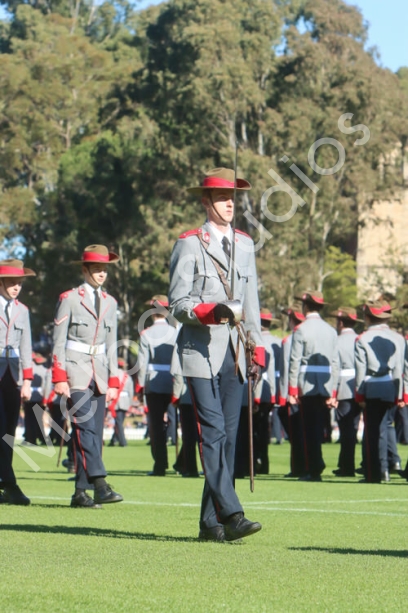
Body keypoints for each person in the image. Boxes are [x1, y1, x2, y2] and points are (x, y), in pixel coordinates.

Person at [169, 167, 264, 542]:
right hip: (200, 349)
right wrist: (210, 312)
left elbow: (251, 302)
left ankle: (210, 523)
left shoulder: (246, 244)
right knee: (212, 432)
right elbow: (178, 303)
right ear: (206, 202)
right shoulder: (189, 244)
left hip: (236, 352)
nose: (229, 203)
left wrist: (256, 348)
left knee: (228, 437)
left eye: (233, 197)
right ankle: (232, 513)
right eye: (222, 197)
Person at [52, 244, 123, 508]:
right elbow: (58, 341)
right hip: (74, 369)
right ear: (85, 270)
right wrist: (59, 376)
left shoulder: (111, 302)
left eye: (104, 269)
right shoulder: (69, 298)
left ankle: (81, 493)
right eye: (96, 269)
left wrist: (114, 380)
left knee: (94, 432)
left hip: (100, 372)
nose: (102, 273)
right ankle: (100, 484)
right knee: (85, 428)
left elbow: (112, 343)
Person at [288, 291, 339, 481]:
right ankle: (317, 463)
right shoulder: (331, 330)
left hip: (306, 384)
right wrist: (333, 391)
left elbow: (295, 360)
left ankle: (313, 468)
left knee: (308, 429)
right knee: (318, 428)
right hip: (325, 384)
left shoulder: (301, 329)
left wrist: (292, 389)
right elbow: (335, 362)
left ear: (306, 307)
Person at [355, 300, 402, 483]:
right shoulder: (398, 338)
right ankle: (387, 467)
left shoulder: (362, 338)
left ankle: (375, 472)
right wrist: (399, 393)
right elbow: (400, 369)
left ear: (368, 317)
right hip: (391, 386)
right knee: (386, 427)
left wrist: (359, 394)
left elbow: (361, 369)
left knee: (373, 432)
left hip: (372, 387)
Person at [0, 258, 35, 505]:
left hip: (12, 375)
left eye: (19, 283)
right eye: (12, 282)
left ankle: (5, 482)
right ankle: (9, 484)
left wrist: (28, 380)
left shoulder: (23, 310)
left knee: (9, 431)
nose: (16, 287)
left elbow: (26, 346)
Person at [135, 295, 179, 476]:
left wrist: (139, 386)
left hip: (153, 383)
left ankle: (160, 465)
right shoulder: (176, 332)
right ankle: (181, 463)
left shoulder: (146, 334)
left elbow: (142, 364)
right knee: (175, 421)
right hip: (174, 381)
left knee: (156, 425)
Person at [330, 307, 361, 477]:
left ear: (341, 323)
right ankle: (346, 464)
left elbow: (335, 368)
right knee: (354, 428)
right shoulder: (360, 338)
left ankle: (347, 466)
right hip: (359, 387)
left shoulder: (337, 341)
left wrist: (333, 392)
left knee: (346, 429)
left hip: (343, 387)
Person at [278, 305, 305, 477]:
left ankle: (298, 467)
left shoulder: (289, 341)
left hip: (293, 392)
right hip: (306, 391)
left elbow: (286, 370)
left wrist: (284, 394)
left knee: (295, 434)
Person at [22, 352, 49, 446]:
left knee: (29, 419)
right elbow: (47, 385)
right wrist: (45, 398)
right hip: (39, 397)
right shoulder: (45, 368)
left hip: (30, 396)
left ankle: (30, 438)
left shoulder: (30, 366)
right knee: (37, 420)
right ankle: (35, 438)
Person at [109, 357, 134, 447]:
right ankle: (116, 440)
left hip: (116, 400)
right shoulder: (128, 377)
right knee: (119, 421)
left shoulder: (113, 375)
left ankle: (121, 441)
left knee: (119, 422)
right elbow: (131, 392)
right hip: (125, 401)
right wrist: (130, 403)